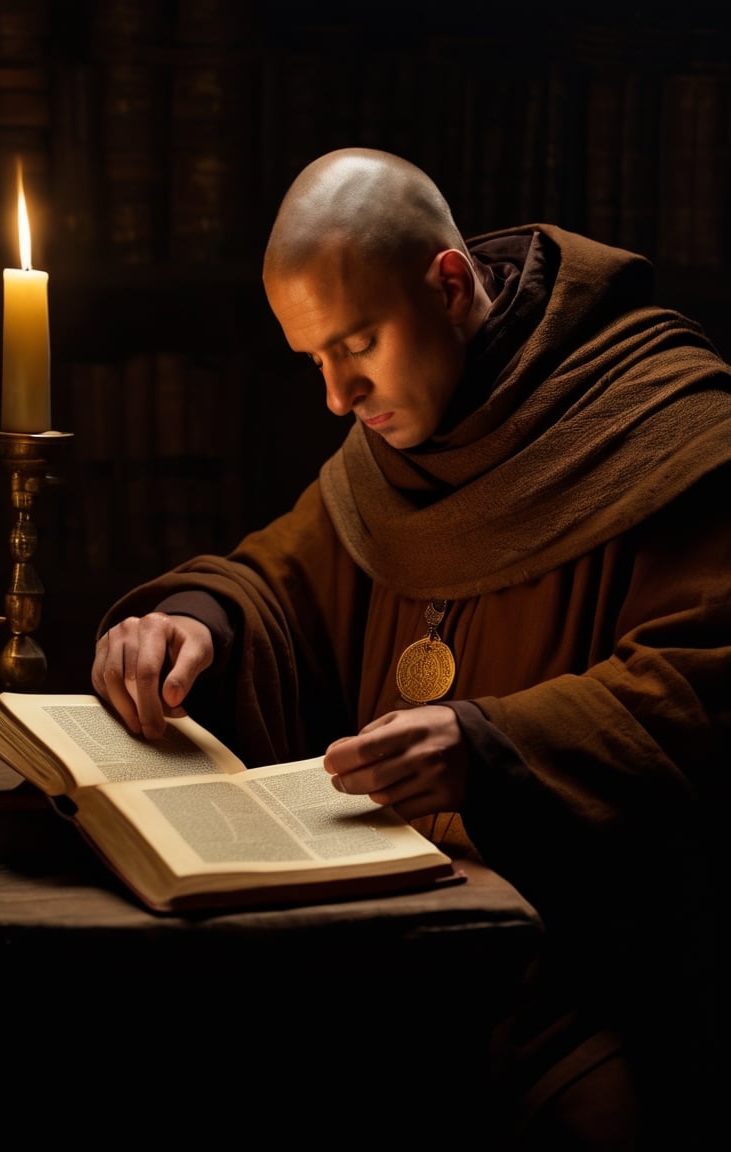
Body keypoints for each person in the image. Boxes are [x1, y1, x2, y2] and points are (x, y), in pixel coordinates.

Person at [92, 148, 729, 1146]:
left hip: (589, 968)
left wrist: (488, 750)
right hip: (385, 945)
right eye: (315, 361)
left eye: (357, 346)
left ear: (449, 280)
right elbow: (284, 580)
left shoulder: (665, 421)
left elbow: (703, 682)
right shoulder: (393, 438)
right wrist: (196, 622)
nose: (339, 398)